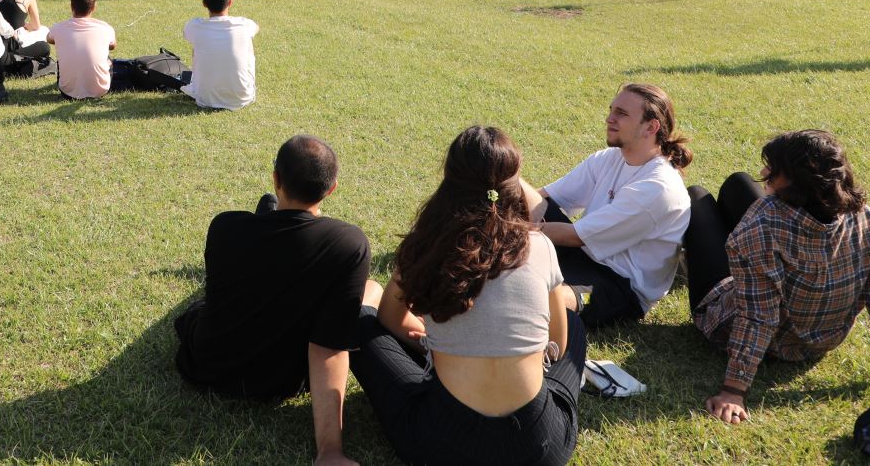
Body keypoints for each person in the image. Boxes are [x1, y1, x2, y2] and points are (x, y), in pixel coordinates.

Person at [352, 126, 583, 466]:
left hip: (440, 445)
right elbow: (557, 345)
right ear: (515, 184)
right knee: (573, 324)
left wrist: (431, 344)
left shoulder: (425, 244)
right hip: (539, 448)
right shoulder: (540, 245)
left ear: (449, 180)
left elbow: (389, 318)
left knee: (361, 323)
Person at [684, 130, 870, 425]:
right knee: (740, 182)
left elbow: (758, 317)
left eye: (774, 169)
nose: (764, 172)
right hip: (821, 339)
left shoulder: (763, 223)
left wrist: (733, 391)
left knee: (697, 198)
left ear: (797, 181)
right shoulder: (866, 218)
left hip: (754, 333)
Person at [174, 135, 369, 465]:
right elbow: (330, 345)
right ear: (332, 189)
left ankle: (272, 212)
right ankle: (275, 212)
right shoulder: (348, 244)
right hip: (283, 380)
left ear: (276, 177)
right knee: (369, 289)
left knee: (196, 310)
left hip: (206, 366)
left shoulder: (224, 226)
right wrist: (330, 451)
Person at [527, 83, 691, 328]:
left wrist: (512, 230)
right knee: (515, 190)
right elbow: (544, 197)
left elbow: (574, 236)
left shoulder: (658, 187)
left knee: (542, 300)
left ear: (651, 127)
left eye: (621, 114)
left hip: (617, 286)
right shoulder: (610, 158)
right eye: (611, 110)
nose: (609, 119)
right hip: (581, 254)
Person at [181, 0, 259, 110]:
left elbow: (186, 34)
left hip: (205, 98)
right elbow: (256, 28)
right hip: (242, 97)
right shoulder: (244, 24)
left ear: (204, 4)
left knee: (197, 46)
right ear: (230, 1)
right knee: (247, 43)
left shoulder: (194, 26)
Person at [47, 0, 128, 99]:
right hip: (100, 90)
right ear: (94, 7)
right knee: (107, 59)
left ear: (71, 6)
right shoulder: (105, 28)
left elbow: (49, 39)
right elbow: (112, 45)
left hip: (67, 92)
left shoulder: (58, 28)